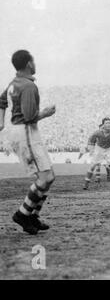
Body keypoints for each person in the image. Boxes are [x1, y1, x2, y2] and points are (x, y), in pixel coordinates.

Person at [0, 50, 56, 234]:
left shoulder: (13, 84)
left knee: (49, 177)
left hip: (21, 132)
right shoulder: (28, 86)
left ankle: (32, 216)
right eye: (33, 60)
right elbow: (30, 116)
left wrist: (1, 122)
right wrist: (46, 113)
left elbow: (1, 101)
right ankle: (22, 214)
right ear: (29, 64)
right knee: (45, 178)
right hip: (26, 132)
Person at [83, 117, 110, 190]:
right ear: (103, 124)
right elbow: (91, 141)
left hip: (109, 149)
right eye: (107, 123)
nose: (108, 124)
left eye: (109, 123)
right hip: (99, 149)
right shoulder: (97, 133)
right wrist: (91, 150)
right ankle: (86, 183)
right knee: (93, 165)